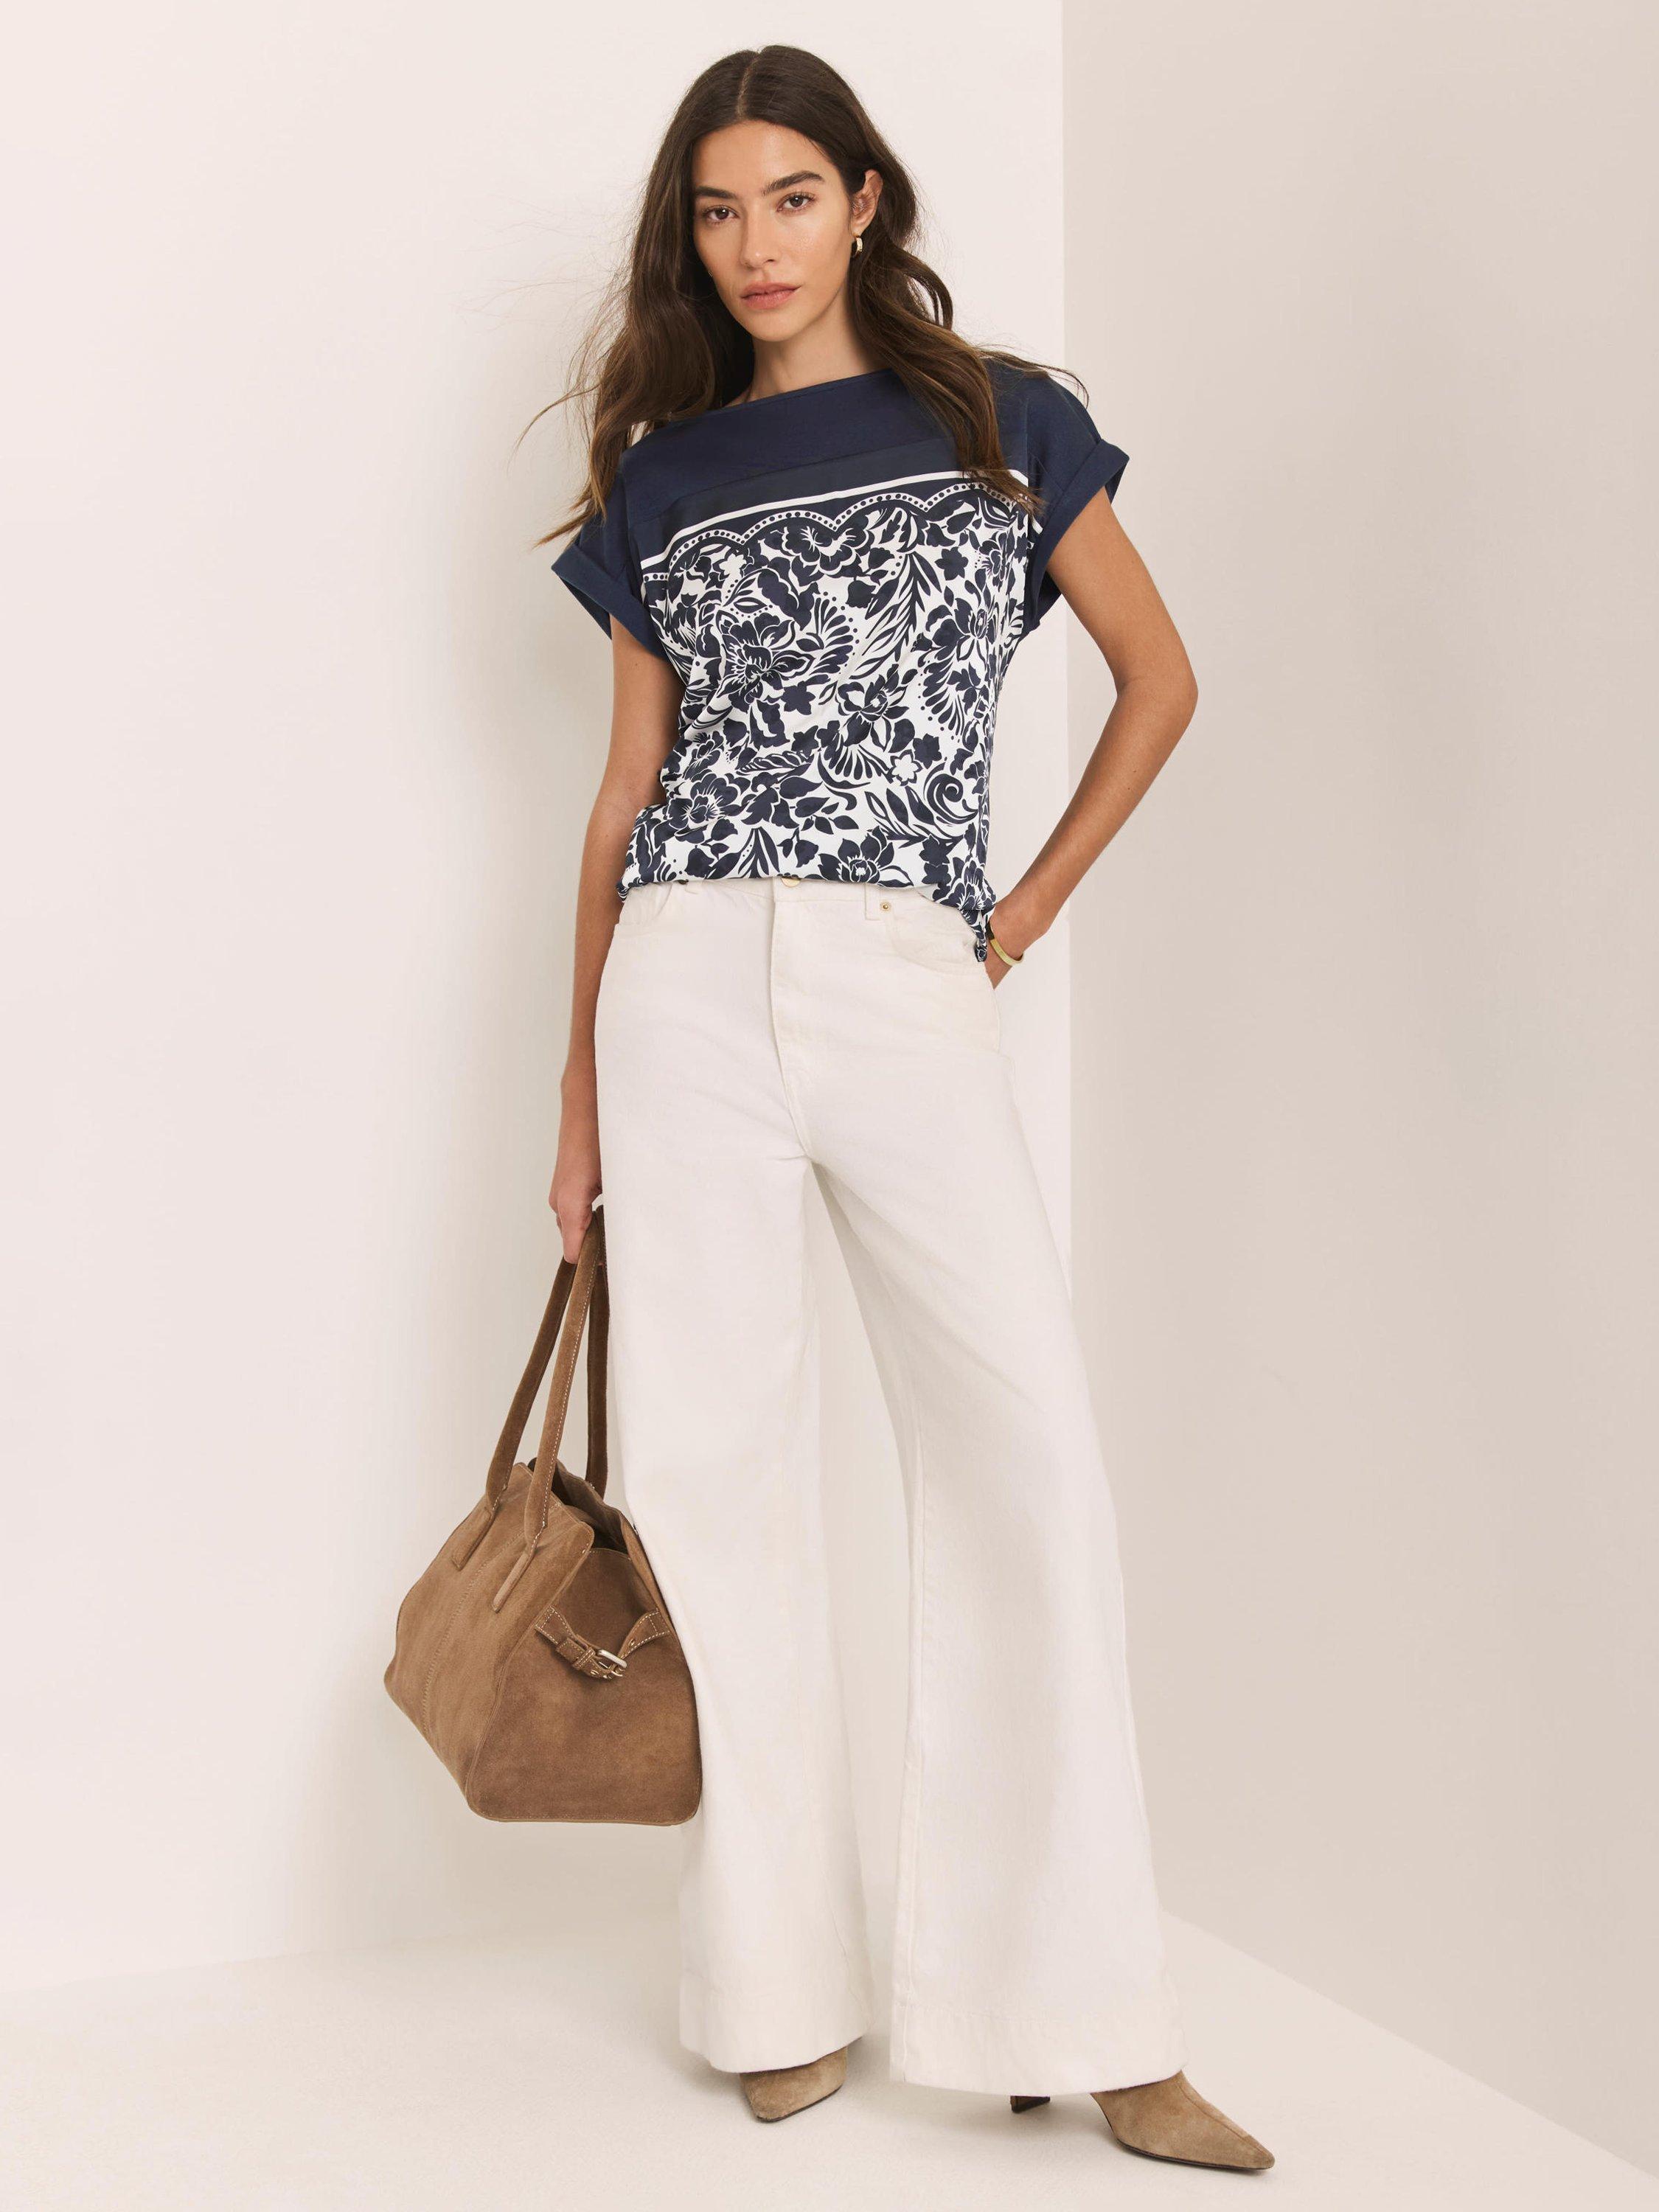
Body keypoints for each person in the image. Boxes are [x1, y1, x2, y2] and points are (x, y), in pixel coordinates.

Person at [540, 42, 1273, 2174]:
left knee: (1025, 1457)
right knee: (713, 1476)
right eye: (715, 210)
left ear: (865, 202)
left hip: (902, 968)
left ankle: (1084, 2011)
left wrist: (1014, 916)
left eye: (789, 197)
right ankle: (771, 1987)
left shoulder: (1002, 423)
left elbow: (1160, 678)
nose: (752, 245)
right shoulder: (662, 472)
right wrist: (575, 1094)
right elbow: (621, 798)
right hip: (684, 979)